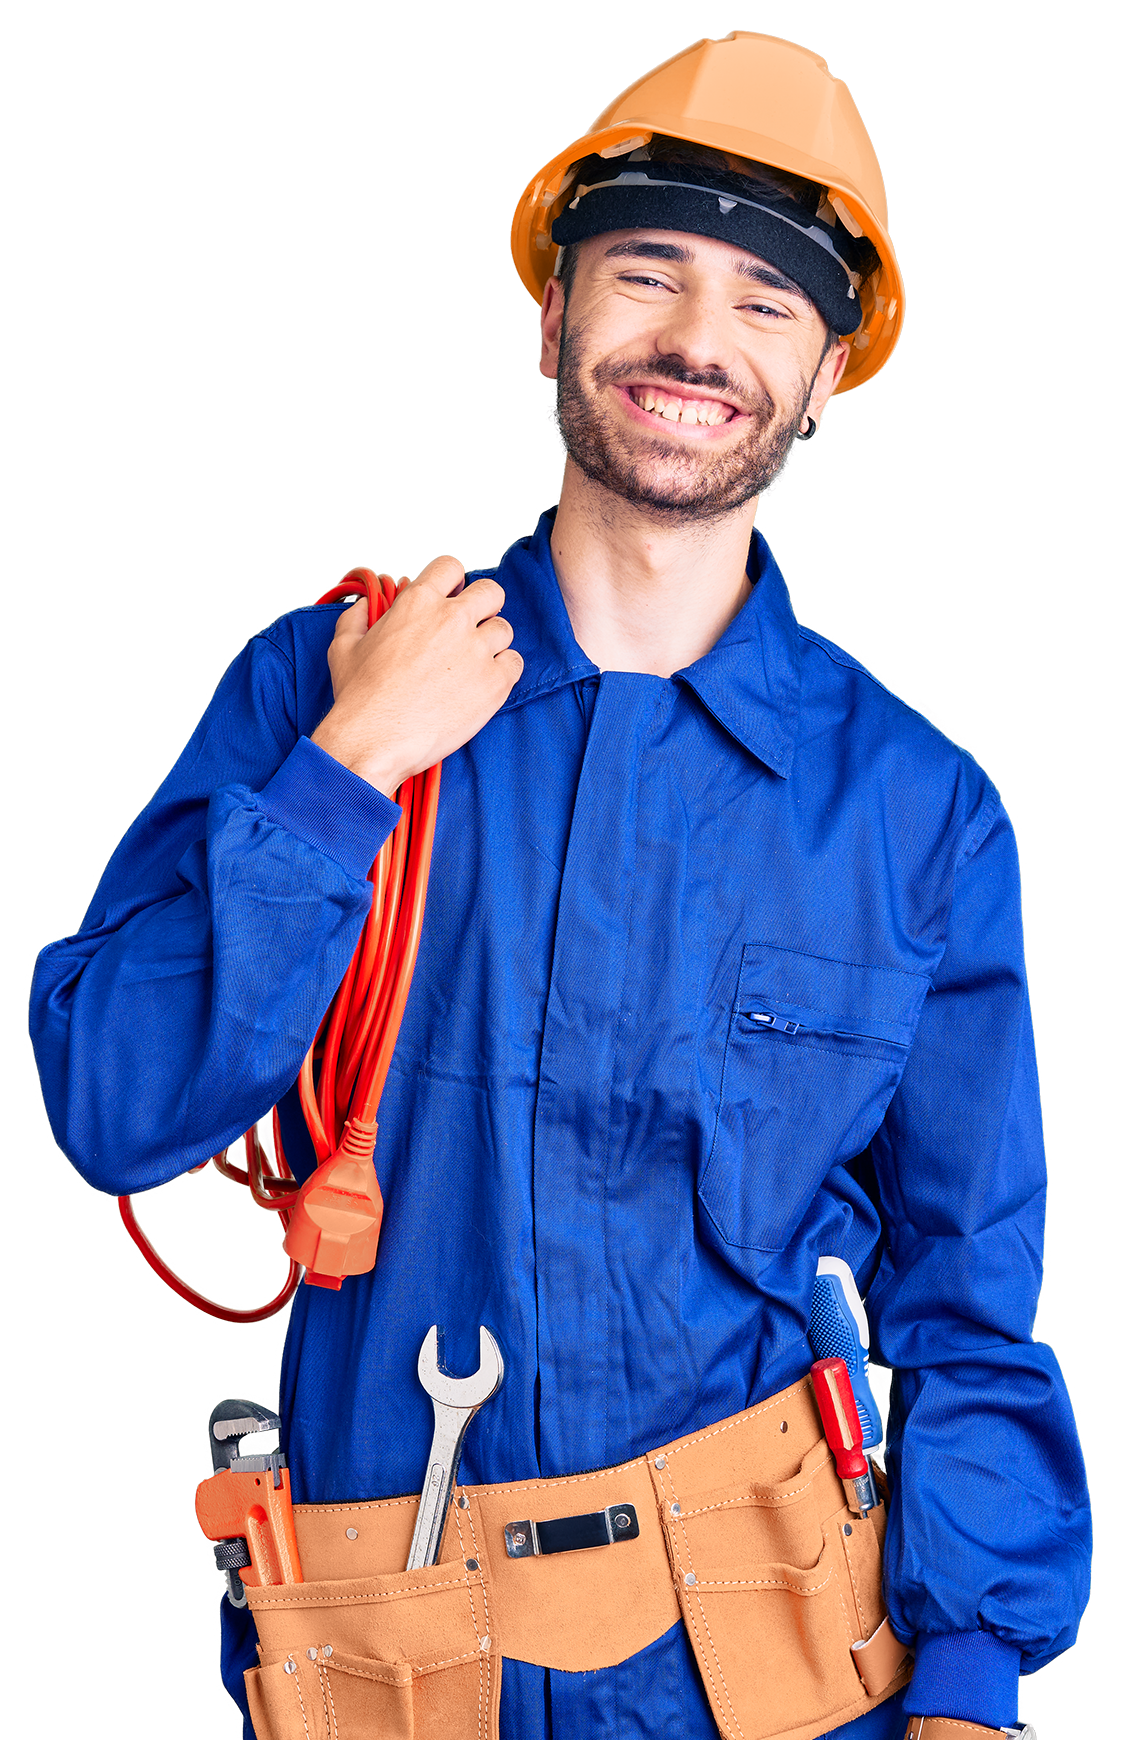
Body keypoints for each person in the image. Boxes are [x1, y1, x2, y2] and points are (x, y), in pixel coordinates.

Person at [29, 31, 1088, 1740]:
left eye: (766, 304)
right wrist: (337, 785)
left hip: (778, 1677)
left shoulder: (918, 813)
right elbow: (113, 1105)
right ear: (554, 316)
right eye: (646, 272)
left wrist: (971, 1677)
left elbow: (970, 1283)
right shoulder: (331, 686)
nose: (695, 340)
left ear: (827, 374)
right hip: (387, 1660)